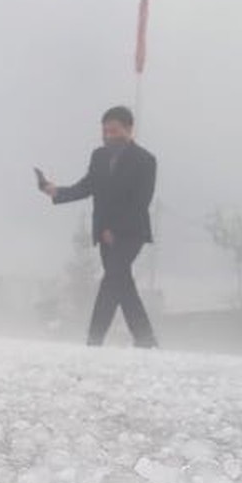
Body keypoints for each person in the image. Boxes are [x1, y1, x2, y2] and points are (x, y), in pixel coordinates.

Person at [39, 106, 159, 348]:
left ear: (128, 129)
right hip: (104, 233)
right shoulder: (99, 156)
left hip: (130, 233)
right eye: (104, 131)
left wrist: (114, 229)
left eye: (113, 131)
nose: (108, 136)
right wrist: (56, 191)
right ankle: (145, 339)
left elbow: (140, 201)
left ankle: (94, 340)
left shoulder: (145, 160)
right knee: (121, 283)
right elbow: (87, 186)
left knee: (111, 281)